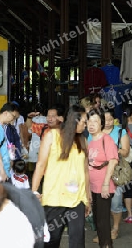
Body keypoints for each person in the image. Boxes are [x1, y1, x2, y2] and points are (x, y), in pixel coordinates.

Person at [31, 104, 90, 248]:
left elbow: (85, 171)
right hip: (55, 198)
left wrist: (88, 198)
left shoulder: (82, 141)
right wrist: (34, 191)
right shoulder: (52, 136)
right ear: (75, 121)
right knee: (52, 240)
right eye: (84, 122)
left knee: (77, 242)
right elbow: (40, 165)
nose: (85, 126)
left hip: (77, 200)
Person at [87, 109, 118, 248]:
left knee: (103, 221)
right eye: (89, 121)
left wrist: (106, 184)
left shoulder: (106, 139)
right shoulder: (89, 140)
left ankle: (106, 245)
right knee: (97, 219)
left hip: (103, 185)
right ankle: (104, 244)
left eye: (95, 121)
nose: (91, 124)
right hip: (92, 185)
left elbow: (113, 161)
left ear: (101, 124)